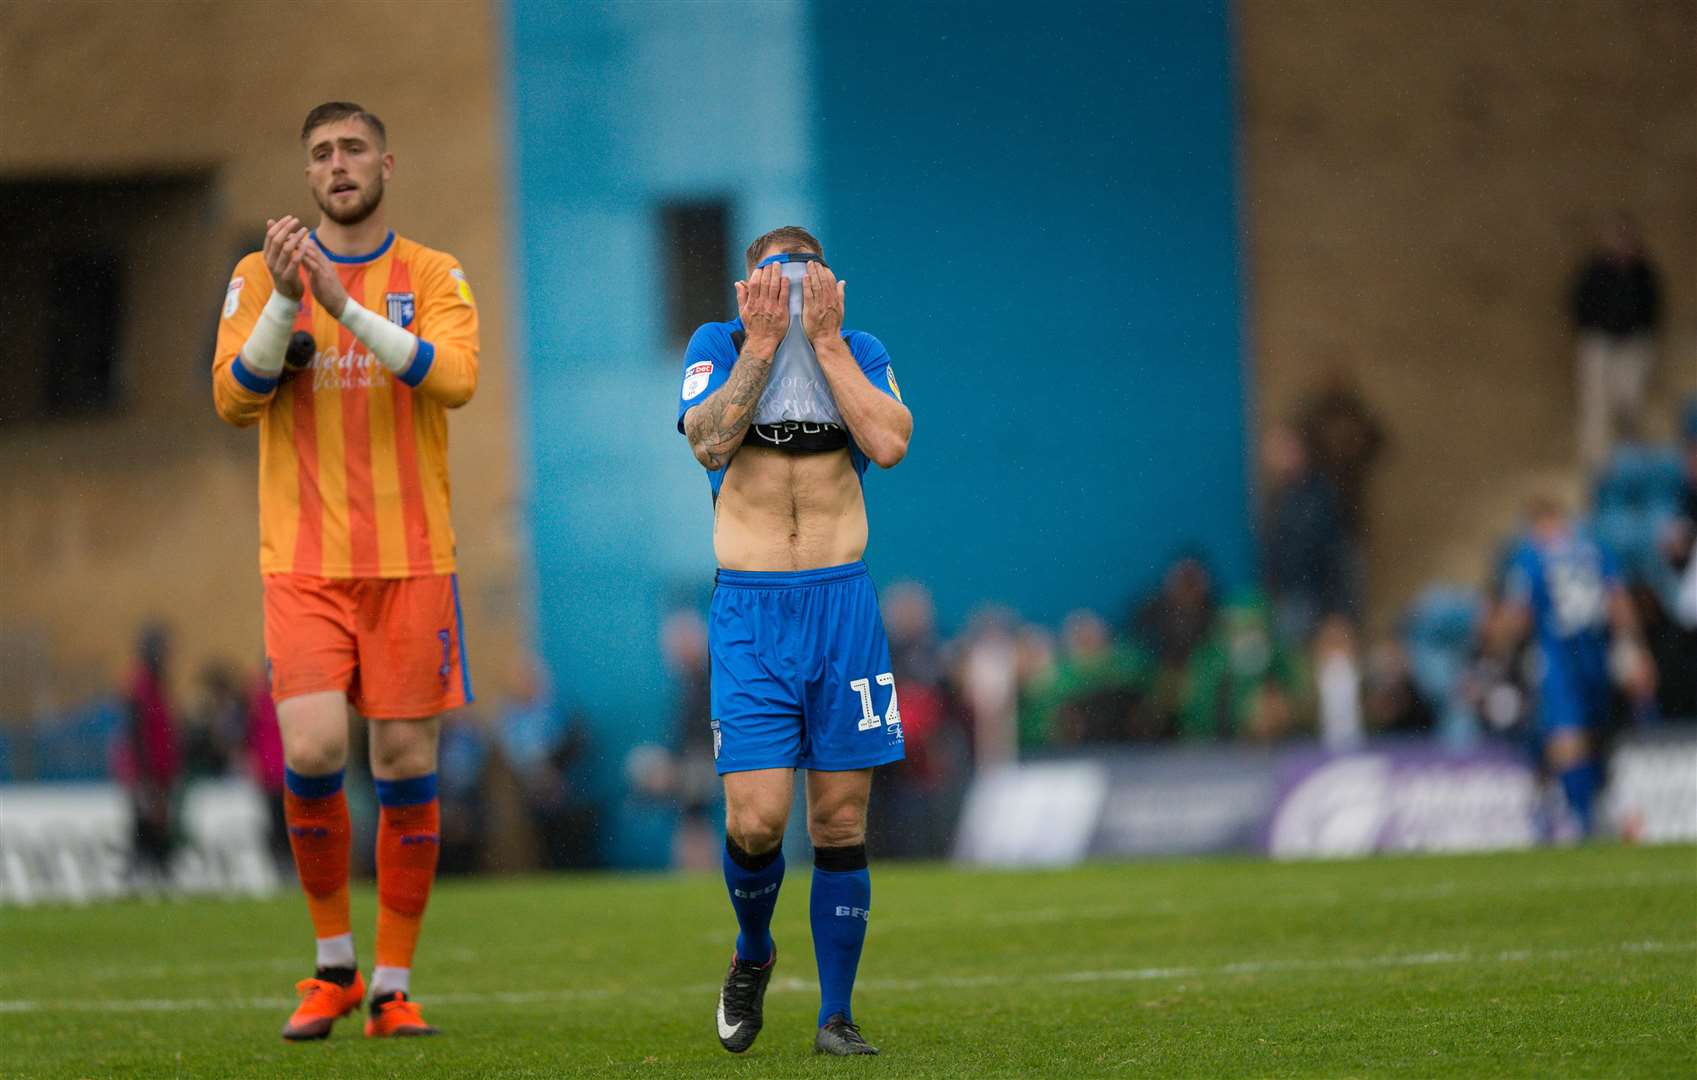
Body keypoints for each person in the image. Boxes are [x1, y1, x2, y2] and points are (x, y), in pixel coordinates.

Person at [211, 101, 480, 1040]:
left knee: (404, 763)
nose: (336, 165)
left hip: (413, 562)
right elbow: (233, 398)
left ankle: (392, 986)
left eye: (352, 149)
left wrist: (342, 307)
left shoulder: (435, 272)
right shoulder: (258, 276)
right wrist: (288, 299)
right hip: (305, 564)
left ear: (386, 164)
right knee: (317, 749)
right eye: (320, 154)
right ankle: (330, 965)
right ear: (308, 173)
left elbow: (453, 379)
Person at [677, 226, 912, 1056]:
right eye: (771, 282)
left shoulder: (860, 349)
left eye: (802, 279)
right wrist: (767, 342)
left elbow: (887, 442)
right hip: (750, 612)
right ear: (746, 287)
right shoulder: (720, 344)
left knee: (841, 819)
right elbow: (705, 440)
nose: (787, 291)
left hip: (841, 606)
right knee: (756, 820)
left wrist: (824, 343)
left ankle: (835, 1017)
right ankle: (752, 951)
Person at [1500, 498, 1655, 836]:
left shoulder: (1531, 556)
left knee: (1566, 739)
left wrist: (1505, 647)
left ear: (1540, 523)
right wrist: (1636, 651)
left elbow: (1518, 615)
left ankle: (1580, 823)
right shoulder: (1597, 550)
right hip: (1598, 658)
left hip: (1559, 660)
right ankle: (1595, 816)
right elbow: (1619, 603)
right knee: (1596, 738)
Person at [1569, 213, 1662, 469]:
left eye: (1626, 239)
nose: (1622, 245)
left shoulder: (1643, 273)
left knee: (1631, 401)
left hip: (1633, 344)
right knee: (1596, 407)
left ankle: (1633, 461)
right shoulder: (1594, 271)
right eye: (1616, 239)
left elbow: (1652, 309)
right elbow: (1579, 305)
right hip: (1600, 343)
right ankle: (1597, 466)